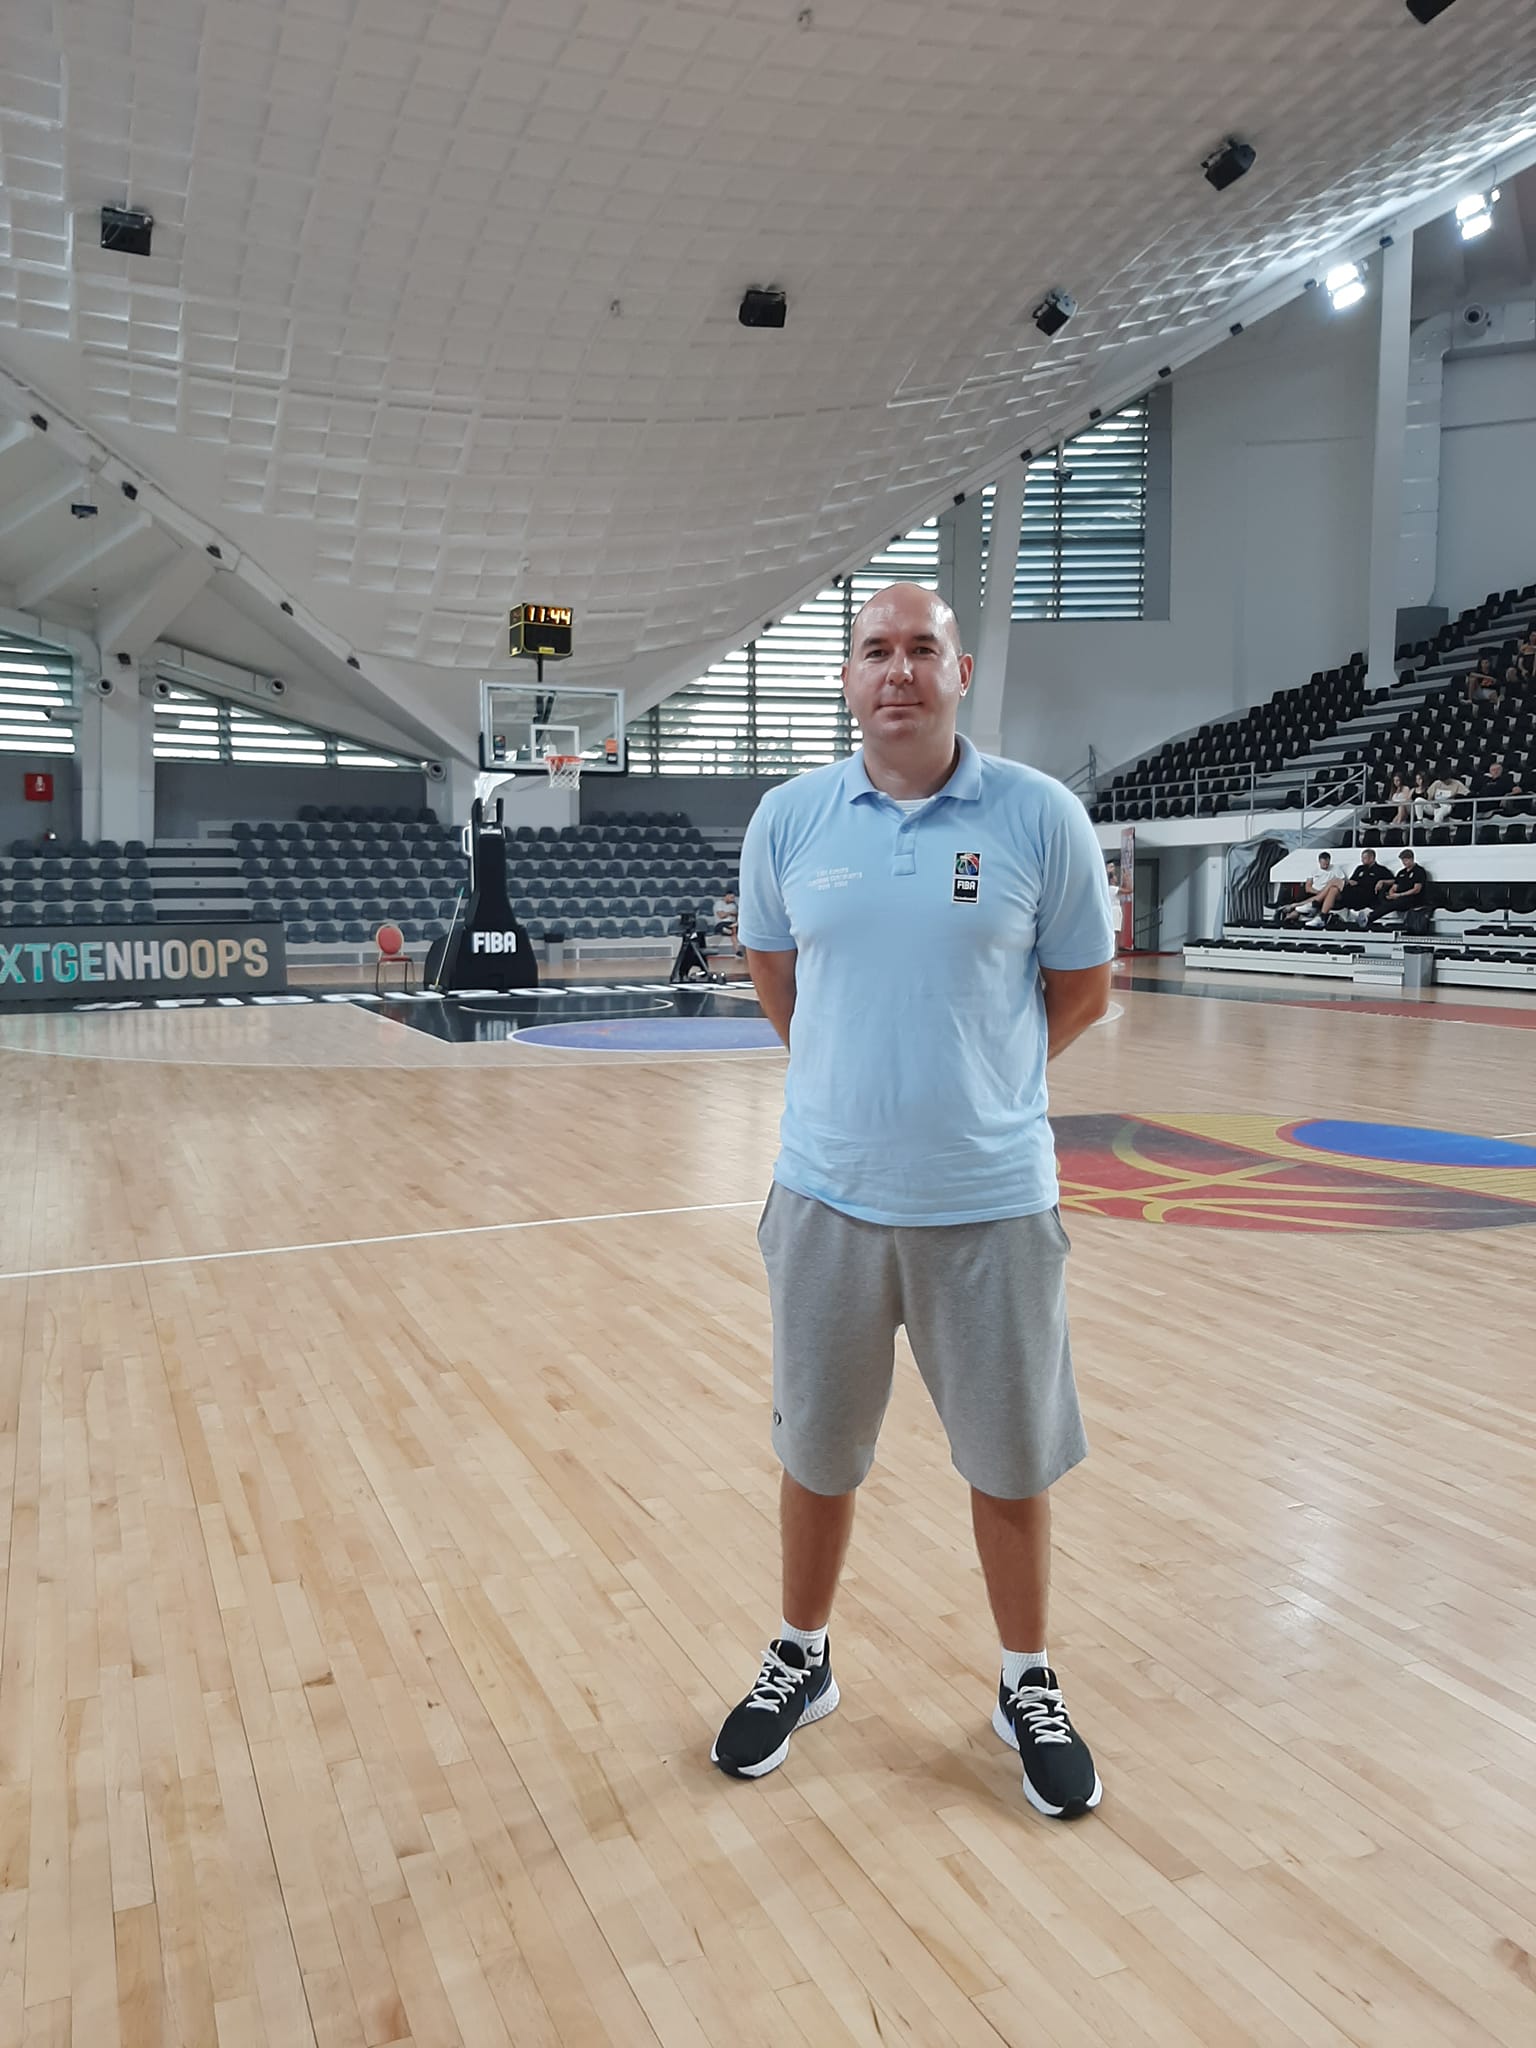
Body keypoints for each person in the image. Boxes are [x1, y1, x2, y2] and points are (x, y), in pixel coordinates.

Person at [714, 583, 1113, 1819]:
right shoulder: (790, 818)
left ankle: (1025, 1679)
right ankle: (803, 1654)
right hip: (826, 1196)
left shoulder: (1039, 816)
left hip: (991, 1202)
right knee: (817, 1450)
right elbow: (775, 974)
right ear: (848, 678)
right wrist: (852, 1085)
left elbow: (1083, 989)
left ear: (961, 671)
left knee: (1011, 1457)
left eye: (922, 648)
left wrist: (979, 1089)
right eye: (876, 650)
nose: (899, 669)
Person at [1367, 849, 1434, 929]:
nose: (1404, 862)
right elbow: (1394, 886)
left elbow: (1416, 889)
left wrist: (1400, 895)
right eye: (1403, 860)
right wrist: (1392, 894)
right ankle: (1372, 917)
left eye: (1406, 860)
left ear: (1412, 859)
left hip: (1412, 898)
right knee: (1385, 899)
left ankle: (1370, 917)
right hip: (1400, 897)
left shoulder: (1419, 871)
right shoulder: (1401, 872)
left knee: (1392, 904)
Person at [1277, 851, 1341, 925]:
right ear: (1319, 862)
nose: (1325, 865)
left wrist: (1323, 892)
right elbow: (1308, 888)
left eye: (1327, 863)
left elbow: (1341, 881)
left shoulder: (1335, 869)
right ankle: (1288, 918)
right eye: (1323, 863)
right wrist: (1320, 892)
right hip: (1316, 892)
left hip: (1327, 893)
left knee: (1328, 890)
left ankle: (1295, 906)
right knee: (1311, 899)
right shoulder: (1314, 871)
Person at [1337, 847, 1390, 925]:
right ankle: (1323, 914)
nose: (1362, 860)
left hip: (1367, 895)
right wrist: (1350, 882)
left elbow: (1393, 880)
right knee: (1334, 889)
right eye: (1362, 858)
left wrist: (1382, 881)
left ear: (1372, 858)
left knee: (1335, 884)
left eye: (1364, 858)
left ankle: (1319, 907)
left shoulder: (1381, 869)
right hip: (1353, 892)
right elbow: (1352, 880)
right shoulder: (1360, 868)